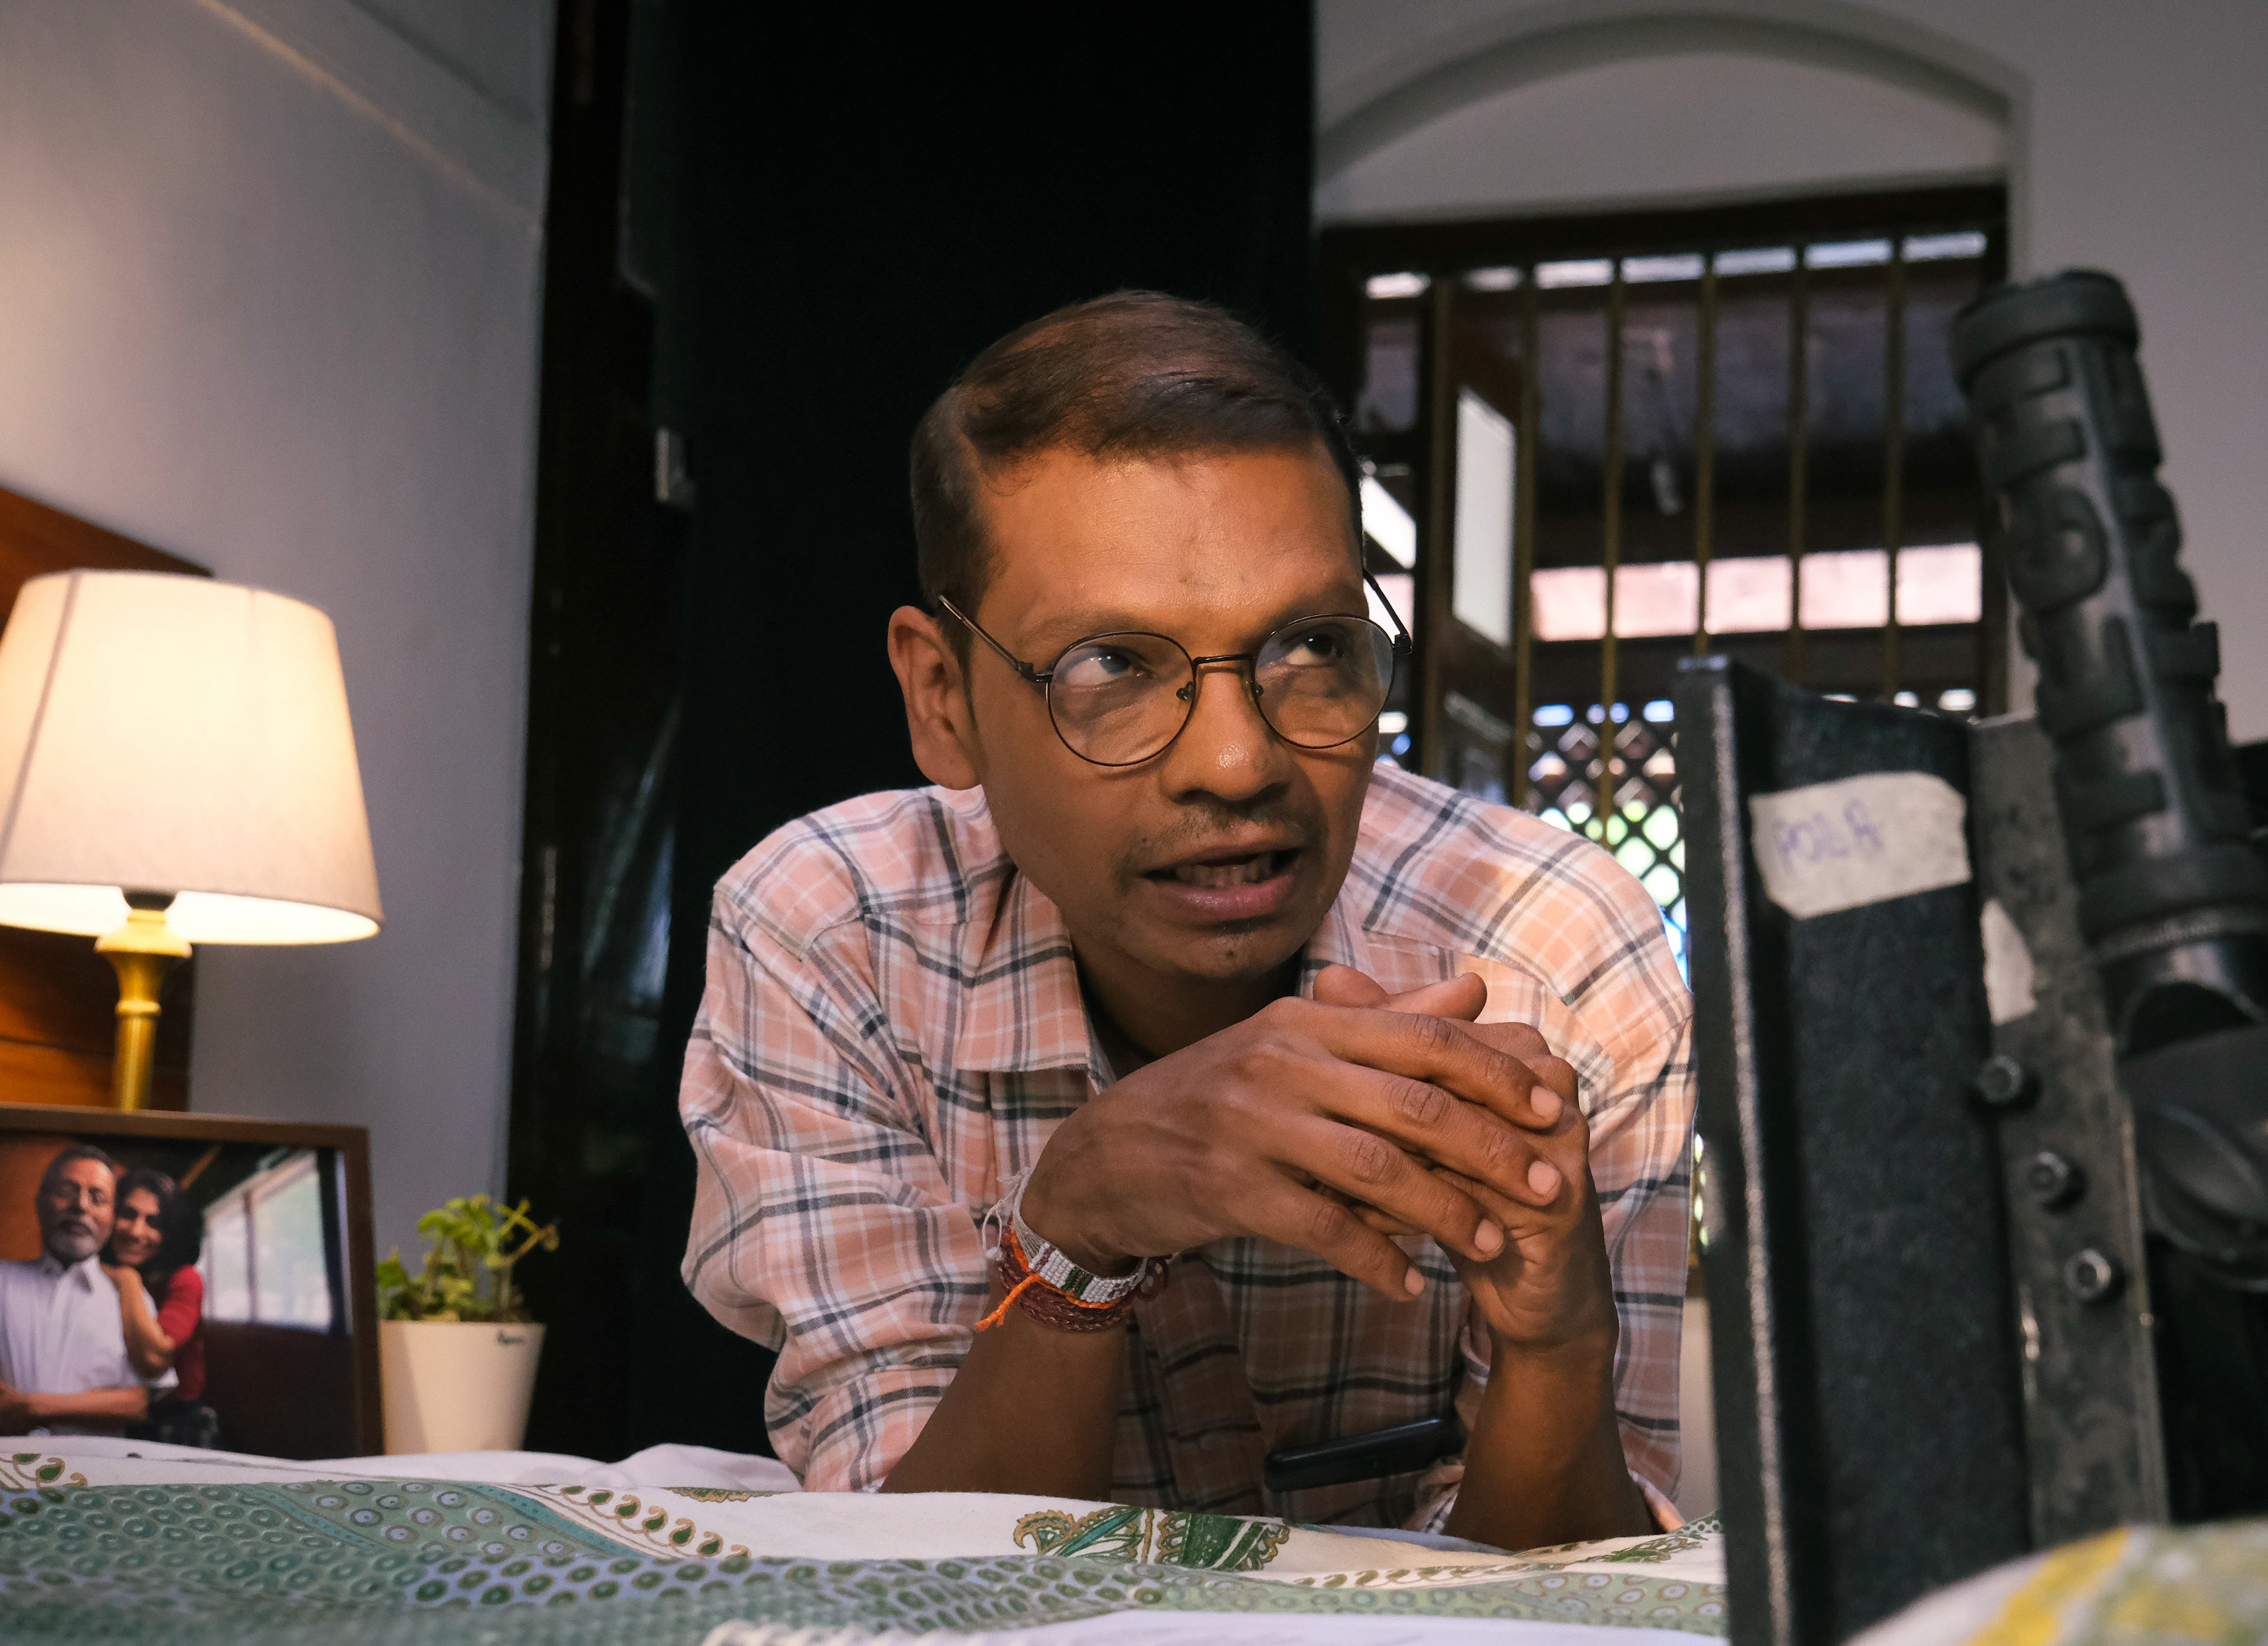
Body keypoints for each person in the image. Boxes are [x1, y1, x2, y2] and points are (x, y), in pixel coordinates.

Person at [682, 292, 1692, 1549]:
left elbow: (1569, 1598)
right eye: (1109, 665)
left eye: (1311, 645)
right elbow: (905, 1568)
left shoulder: (1553, 947)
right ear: (942, 697)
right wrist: (1075, 1228)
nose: (1236, 762)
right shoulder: (833, 935)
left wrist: (1557, 1350)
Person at [0, 1143, 174, 1435]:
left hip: (95, 1463)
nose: (81, 1206)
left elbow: (139, 1403)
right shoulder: (3, 1279)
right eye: (66, 1191)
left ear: (111, 1216)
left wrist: (30, 1406)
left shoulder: (129, 1297)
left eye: (98, 1198)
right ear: (40, 1202)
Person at [103, 1166, 216, 1448]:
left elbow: (155, 1357)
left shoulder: (186, 1278)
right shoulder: (97, 1272)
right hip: (113, 1410)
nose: (136, 1231)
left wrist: (127, 1279)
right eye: (128, 1214)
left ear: (169, 1233)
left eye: (153, 1222)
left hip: (177, 1418)